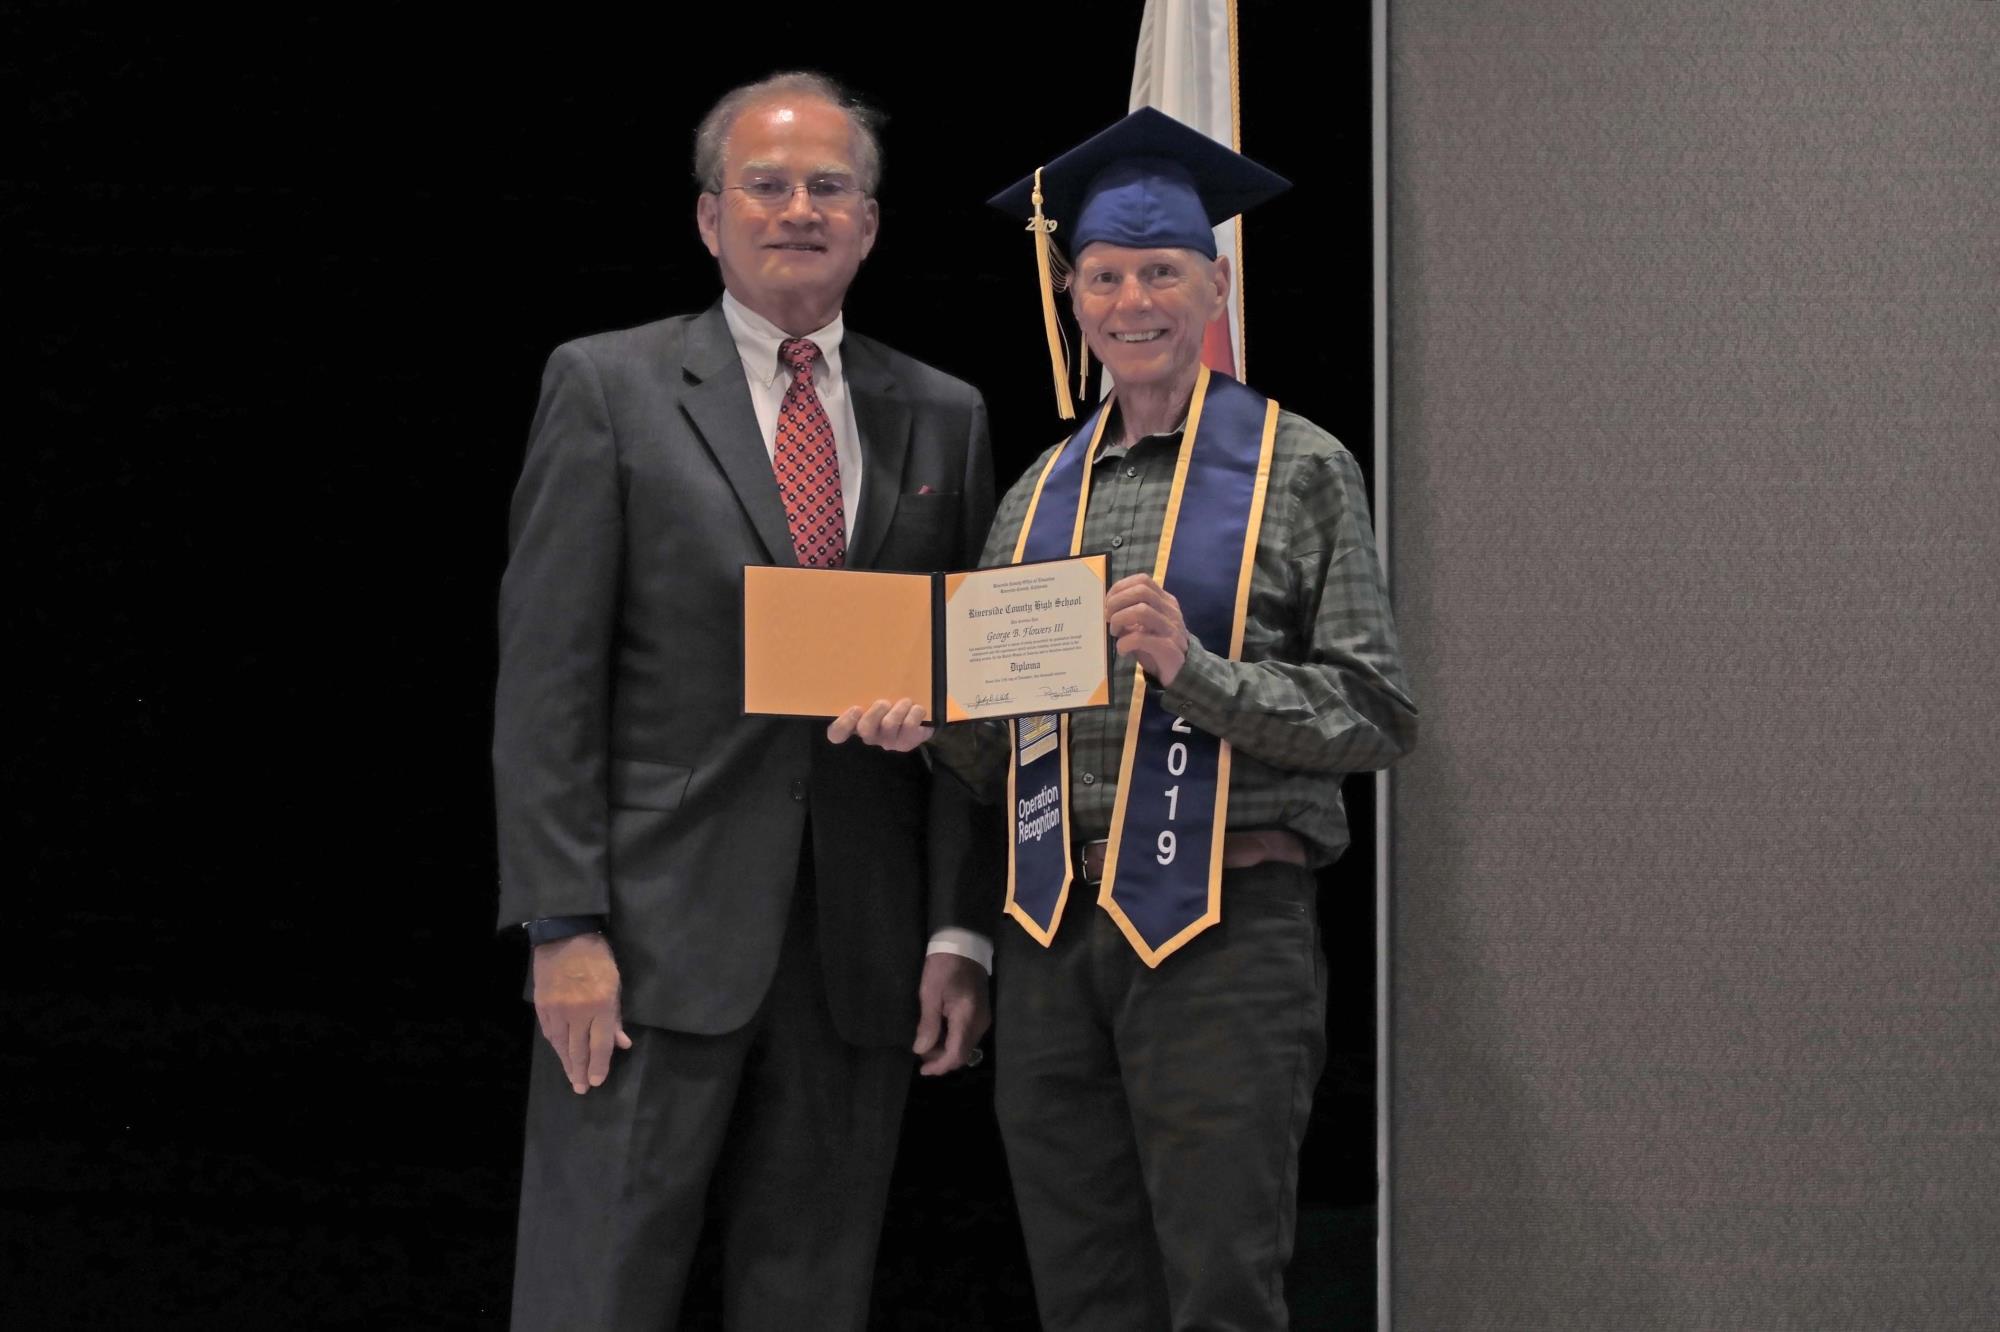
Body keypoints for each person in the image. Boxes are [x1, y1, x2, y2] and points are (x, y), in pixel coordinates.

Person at [830, 107, 1418, 1330]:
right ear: (1073, 295)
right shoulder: (1034, 496)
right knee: (1083, 1287)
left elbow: (1373, 715)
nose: (1130, 298)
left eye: (1161, 271)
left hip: (1221, 931)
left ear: (1212, 286)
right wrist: (924, 726)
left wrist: (1194, 671)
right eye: (1103, 275)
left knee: (1216, 1285)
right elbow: (996, 748)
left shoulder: (1299, 467)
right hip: (1054, 939)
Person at [493, 71, 997, 1332]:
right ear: (709, 219)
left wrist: (957, 929)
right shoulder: (606, 389)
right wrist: (562, 925)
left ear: (870, 225)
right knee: (590, 1297)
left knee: (812, 1298)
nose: (797, 210)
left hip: (859, 946)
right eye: (764, 186)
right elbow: (547, 682)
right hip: (648, 942)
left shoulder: (944, 413)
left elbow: (970, 695)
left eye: (829, 186)